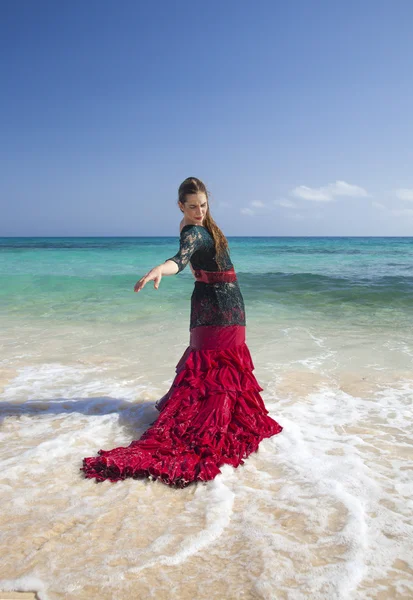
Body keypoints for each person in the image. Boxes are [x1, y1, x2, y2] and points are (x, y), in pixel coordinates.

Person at [81, 177, 282, 487]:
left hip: (227, 302)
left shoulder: (202, 225)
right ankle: (211, 424)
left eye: (203, 205)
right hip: (216, 304)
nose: (199, 211)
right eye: (192, 206)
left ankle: (220, 418)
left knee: (222, 365)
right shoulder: (191, 231)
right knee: (215, 368)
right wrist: (162, 268)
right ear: (180, 206)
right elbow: (180, 259)